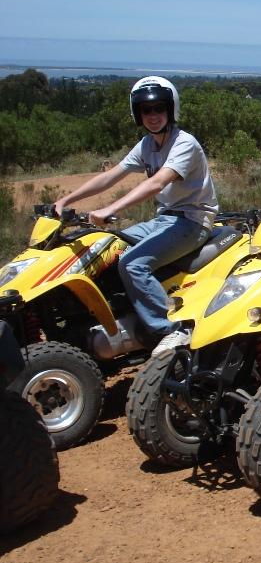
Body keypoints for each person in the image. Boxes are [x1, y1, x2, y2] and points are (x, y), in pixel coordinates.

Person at [54, 76, 218, 357]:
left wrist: (111, 209)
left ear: (170, 110)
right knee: (105, 245)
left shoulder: (184, 144)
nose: (153, 116)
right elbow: (110, 176)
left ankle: (169, 329)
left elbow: (157, 183)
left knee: (132, 263)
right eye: (146, 110)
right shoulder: (147, 145)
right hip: (164, 219)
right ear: (137, 114)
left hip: (192, 221)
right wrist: (66, 199)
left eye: (158, 109)